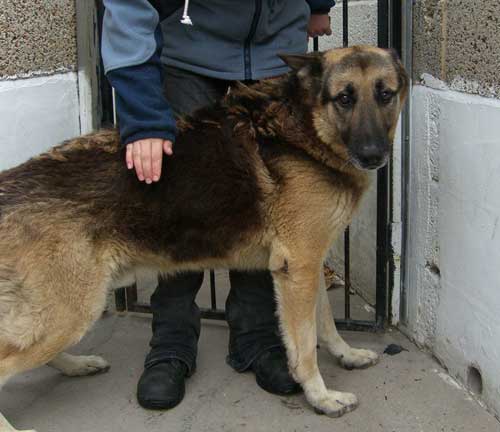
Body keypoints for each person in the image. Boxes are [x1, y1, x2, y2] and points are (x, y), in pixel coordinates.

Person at [101, 0, 334, 410]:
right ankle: (171, 341)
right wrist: (141, 113)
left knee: (270, 206)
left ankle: (258, 338)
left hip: (276, 46)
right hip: (186, 45)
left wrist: (317, 3)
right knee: (179, 199)